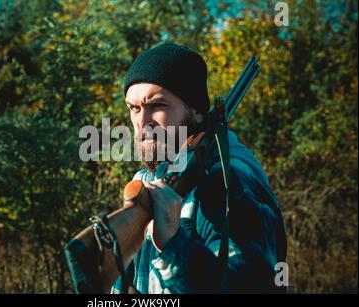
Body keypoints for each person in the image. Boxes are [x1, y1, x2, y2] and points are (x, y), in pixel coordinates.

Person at [111, 43, 287, 294]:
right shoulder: (149, 180)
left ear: (195, 111)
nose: (142, 122)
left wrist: (174, 246)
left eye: (157, 105)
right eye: (134, 108)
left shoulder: (229, 182)